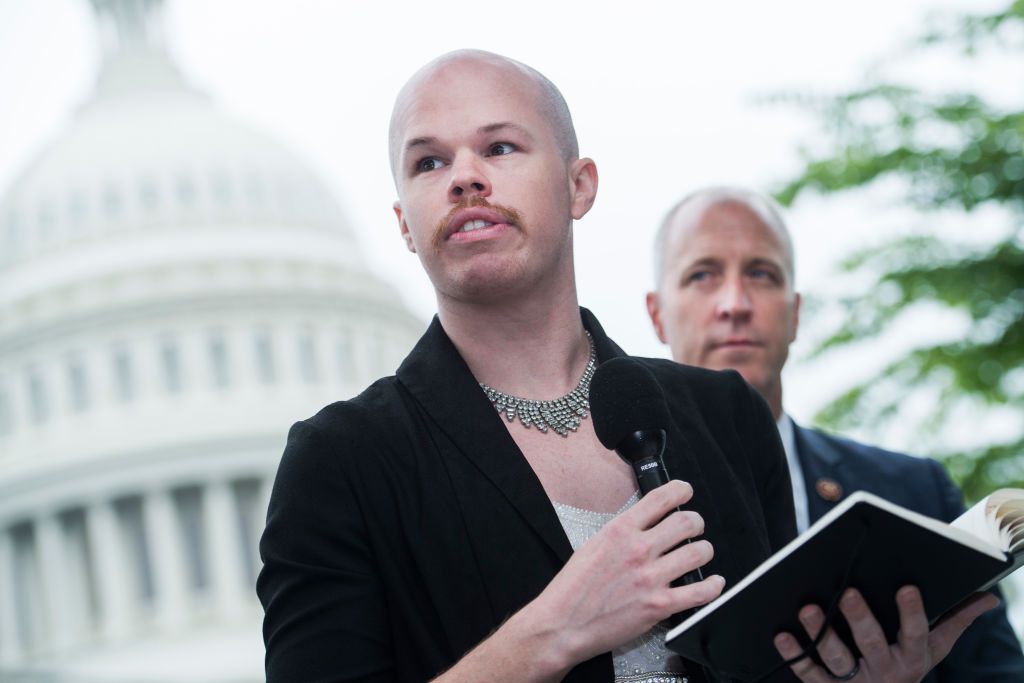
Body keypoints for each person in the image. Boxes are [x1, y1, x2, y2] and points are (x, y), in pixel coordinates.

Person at [258, 50, 991, 683]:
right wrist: (555, 630)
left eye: (502, 147)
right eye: (429, 161)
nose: (465, 178)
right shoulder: (341, 462)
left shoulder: (724, 414)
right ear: (404, 225)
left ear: (580, 185)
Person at [646, 185, 1022, 682]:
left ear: (795, 312)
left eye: (761, 274)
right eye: (702, 275)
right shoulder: (614, 504)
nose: (734, 303)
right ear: (657, 315)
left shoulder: (915, 493)